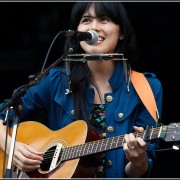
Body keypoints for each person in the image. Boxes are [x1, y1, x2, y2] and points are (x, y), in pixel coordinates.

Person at [0, 2, 163, 178]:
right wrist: (12, 147)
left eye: (103, 19)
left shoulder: (147, 87)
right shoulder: (56, 81)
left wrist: (138, 160)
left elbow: (138, 171)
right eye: (86, 20)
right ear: (77, 33)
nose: (94, 27)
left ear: (121, 32)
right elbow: (4, 115)